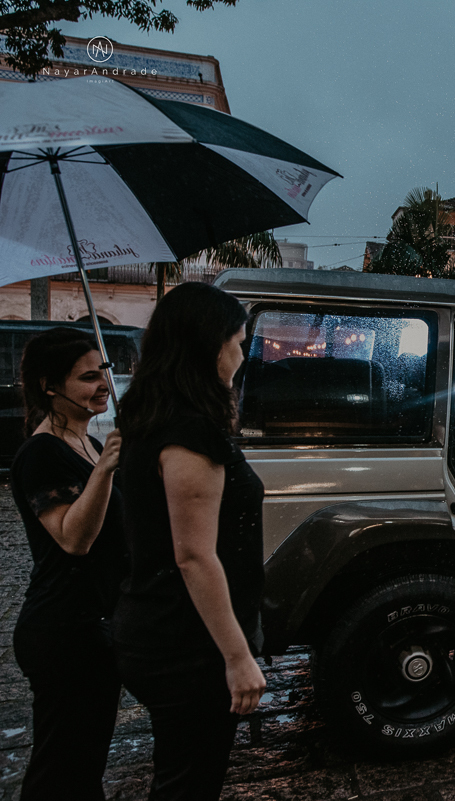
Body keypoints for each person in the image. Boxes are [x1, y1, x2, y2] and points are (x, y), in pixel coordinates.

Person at [113, 283, 265, 800]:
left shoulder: (153, 419)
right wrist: (238, 656)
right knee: (188, 784)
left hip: (159, 628)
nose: (242, 357)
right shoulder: (188, 433)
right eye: (238, 343)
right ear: (210, 345)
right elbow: (195, 556)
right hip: (187, 645)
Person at [10, 328, 127, 801]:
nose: (102, 382)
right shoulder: (41, 453)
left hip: (93, 627)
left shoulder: (88, 445)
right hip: (62, 633)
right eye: (87, 376)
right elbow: (74, 539)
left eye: (103, 370)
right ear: (49, 387)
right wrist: (104, 473)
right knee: (59, 772)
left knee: (83, 765)